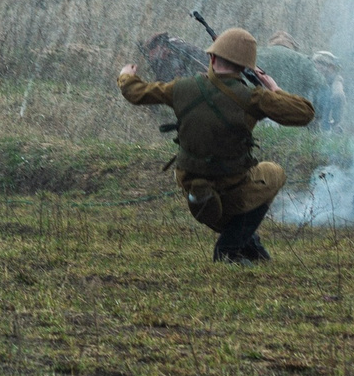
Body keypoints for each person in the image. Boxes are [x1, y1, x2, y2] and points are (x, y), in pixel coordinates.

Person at [118, 26, 314, 262]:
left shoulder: (181, 88)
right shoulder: (254, 98)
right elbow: (305, 113)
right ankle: (229, 248)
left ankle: (247, 245)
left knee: (225, 213)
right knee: (275, 173)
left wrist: (126, 75)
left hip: (191, 182)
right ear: (245, 67)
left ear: (211, 57)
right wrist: (273, 88)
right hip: (232, 184)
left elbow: (135, 92)